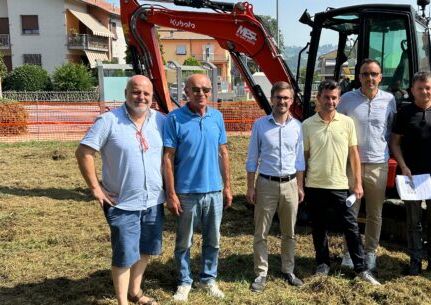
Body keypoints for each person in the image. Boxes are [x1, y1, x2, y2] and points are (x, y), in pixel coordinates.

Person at [76, 75, 164, 305]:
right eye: (136, 92)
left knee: (146, 249)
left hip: (154, 200)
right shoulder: (108, 121)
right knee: (125, 254)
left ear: (152, 97)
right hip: (122, 203)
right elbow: (84, 152)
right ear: (126, 93)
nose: (141, 97)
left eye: (146, 93)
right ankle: (122, 301)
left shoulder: (160, 121)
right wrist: (96, 188)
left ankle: (135, 292)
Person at [302, 79, 381, 285]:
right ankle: (323, 264)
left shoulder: (347, 123)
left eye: (334, 97)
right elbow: (305, 157)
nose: (330, 101)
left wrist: (357, 183)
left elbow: (353, 154)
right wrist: (300, 184)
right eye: (326, 97)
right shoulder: (307, 125)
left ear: (339, 99)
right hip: (315, 185)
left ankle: (361, 268)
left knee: (351, 227)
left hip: (340, 185)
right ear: (318, 99)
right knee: (319, 227)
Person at [163, 74, 233, 302]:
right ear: (186, 92)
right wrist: (171, 193)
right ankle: (184, 281)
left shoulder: (217, 117)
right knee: (184, 241)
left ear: (211, 91)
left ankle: (208, 279)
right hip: (186, 193)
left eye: (205, 89)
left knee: (213, 239)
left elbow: (223, 152)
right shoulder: (174, 119)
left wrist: (227, 186)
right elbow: (168, 158)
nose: (201, 94)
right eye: (195, 90)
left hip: (213, 190)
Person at [389, 71, 431, 277]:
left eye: (428, 87)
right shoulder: (404, 113)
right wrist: (403, 166)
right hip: (413, 177)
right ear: (412, 90)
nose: (424, 91)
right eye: (420, 88)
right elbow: (395, 142)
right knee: (413, 221)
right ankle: (415, 260)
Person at [245, 81, 305, 292]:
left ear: (291, 100)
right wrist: (250, 187)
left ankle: (288, 269)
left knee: (289, 232)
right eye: (278, 97)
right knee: (261, 232)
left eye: (286, 98)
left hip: (289, 185)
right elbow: (252, 158)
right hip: (266, 184)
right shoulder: (260, 125)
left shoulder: (298, 126)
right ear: (272, 99)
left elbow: (299, 161)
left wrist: (299, 186)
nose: (282, 101)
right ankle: (261, 273)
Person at [337, 58, 397, 271]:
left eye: (374, 74)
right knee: (350, 212)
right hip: (352, 165)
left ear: (380, 77)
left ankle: (370, 252)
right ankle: (349, 252)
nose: (369, 78)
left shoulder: (390, 100)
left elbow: (389, 131)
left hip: (378, 165)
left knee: (375, 213)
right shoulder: (346, 100)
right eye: (365, 74)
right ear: (358, 76)